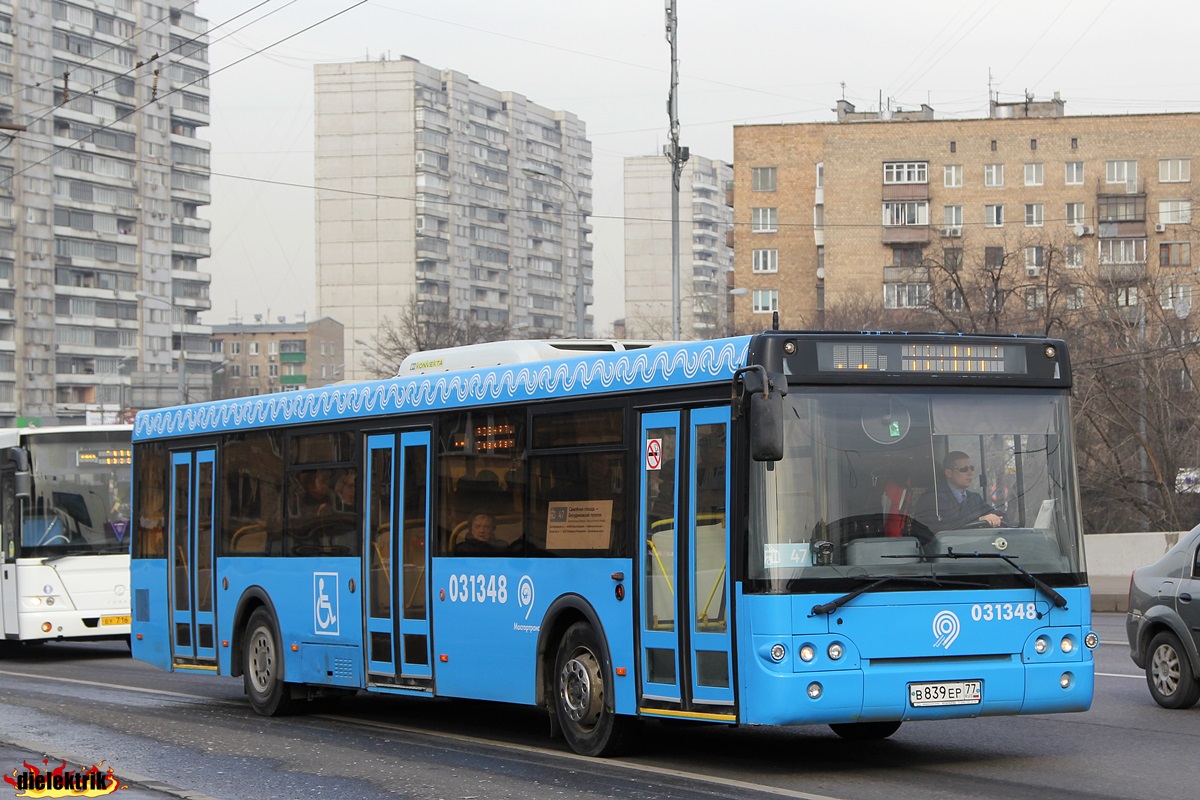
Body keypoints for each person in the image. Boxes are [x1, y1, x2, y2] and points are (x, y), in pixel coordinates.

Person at [912, 451, 1006, 534]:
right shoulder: (932, 499)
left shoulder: (975, 498)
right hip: (943, 551)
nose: (970, 473)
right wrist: (978, 520)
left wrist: (993, 518)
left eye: (971, 468)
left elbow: (1003, 517)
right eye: (964, 469)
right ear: (949, 473)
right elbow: (940, 526)